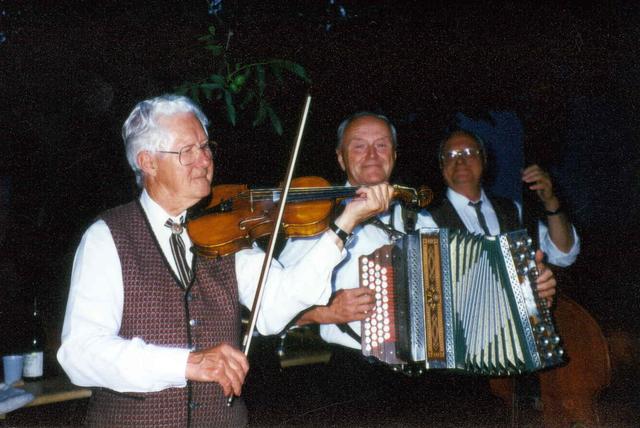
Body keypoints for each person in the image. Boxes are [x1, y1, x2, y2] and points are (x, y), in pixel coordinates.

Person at [57, 95, 394, 427]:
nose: (204, 161)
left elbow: (276, 308)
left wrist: (342, 226)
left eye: (205, 147)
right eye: (187, 151)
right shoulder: (108, 237)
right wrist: (186, 364)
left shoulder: (226, 231)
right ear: (148, 162)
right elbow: (80, 354)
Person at [277, 112, 558, 424]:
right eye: (358, 146)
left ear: (394, 156)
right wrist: (326, 312)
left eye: (382, 145)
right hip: (357, 380)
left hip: (432, 379)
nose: (372, 155)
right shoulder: (316, 222)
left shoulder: (421, 220)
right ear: (340, 159)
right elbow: (274, 304)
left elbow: (468, 297)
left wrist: (528, 295)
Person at [429, 129, 580, 268]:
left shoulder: (512, 210)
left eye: (469, 152)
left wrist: (550, 201)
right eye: (451, 154)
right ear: (442, 165)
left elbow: (563, 254)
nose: (460, 160)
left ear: (484, 160)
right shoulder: (427, 216)